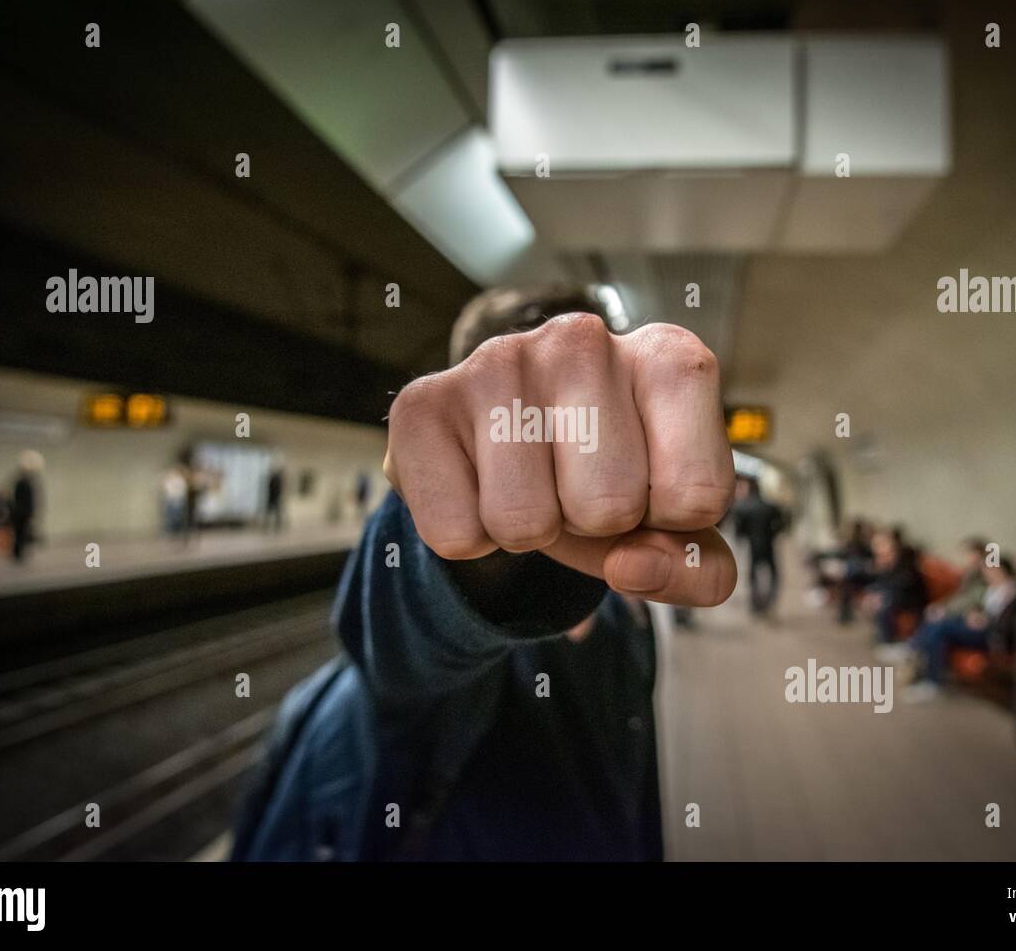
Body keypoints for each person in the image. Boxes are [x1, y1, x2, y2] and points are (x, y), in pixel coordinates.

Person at [232, 285, 736, 861]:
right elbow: (405, 630)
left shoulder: (629, 612)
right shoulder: (448, 656)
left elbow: (636, 787)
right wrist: (475, 546)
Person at [902, 557, 1016, 702]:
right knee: (937, 627)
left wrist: (986, 621)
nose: (988, 574)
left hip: (991, 635)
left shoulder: (1013, 591)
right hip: (977, 626)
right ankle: (922, 662)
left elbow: (1008, 622)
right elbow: (982, 609)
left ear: (1003, 571)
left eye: (992, 570)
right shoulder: (990, 588)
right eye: (987, 571)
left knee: (940, 628)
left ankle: (921, 662)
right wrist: (974, 615)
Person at [865, 528, 929, 649]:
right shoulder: (887, 562)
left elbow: (904, 584)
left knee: (883, 604)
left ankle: (888, 641)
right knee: (875, 597)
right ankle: (884, 637)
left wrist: (881, 595)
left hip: (912, 599)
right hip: (898, 596)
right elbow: (882, 583)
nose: (880, 553)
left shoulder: (906, 559)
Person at [733, 477, 785, 616]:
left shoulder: (742, 507)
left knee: (753, 574)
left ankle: (755, 602)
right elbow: (781, 523)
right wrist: (772, 534)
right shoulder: (770, 506)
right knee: (773, 573)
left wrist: (743, 537)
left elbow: (739, 529)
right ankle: (770, 601)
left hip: (753, 545)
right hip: (768, 544)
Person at [10, 450, 43, 563]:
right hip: (22, 513)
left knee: (22, 533)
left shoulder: (24, 483)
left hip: (22, 512)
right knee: (20, 533)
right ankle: (18, 553)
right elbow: (24, 500)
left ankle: (19, 552)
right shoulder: (23, 483)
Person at [263, 464, 285, 532]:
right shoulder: (273, 479)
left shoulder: (278, 479)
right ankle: (267, 524)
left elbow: (278, 489)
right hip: (271, 498)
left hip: (275, 498)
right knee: (270, 512)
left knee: (277, 513)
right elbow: (269, 488)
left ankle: (277, 525)